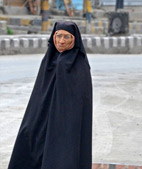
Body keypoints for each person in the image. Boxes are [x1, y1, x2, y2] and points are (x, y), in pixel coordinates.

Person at [8, 21, 93, 169]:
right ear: (52, 37)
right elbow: (39, 94)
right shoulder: (48, 61)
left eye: (67, 37)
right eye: (58, 36)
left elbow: (80, 99)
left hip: (66, 120)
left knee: (62, 150)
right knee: (28, 134)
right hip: (43, 113)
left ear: (75, 39)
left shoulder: (79, 64)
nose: (61, 41)